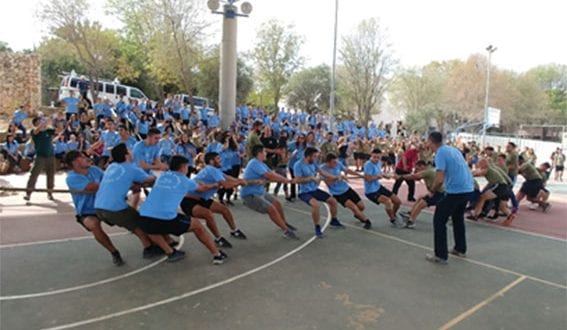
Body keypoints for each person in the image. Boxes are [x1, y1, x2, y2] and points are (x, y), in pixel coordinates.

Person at [138, 155, 228, 264]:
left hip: (143, 217)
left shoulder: (162, 176)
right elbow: (201, 189)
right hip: (165, 218)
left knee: (151, 228)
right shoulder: (185, 180)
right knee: (197, 226)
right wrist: (214, 185)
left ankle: (170, 252)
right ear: (183, 167)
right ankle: (217, 255)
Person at [94, 143, 164, 259]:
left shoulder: (112, 166)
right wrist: (160, 176)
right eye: (129, 150)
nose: (132, 152)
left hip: (98, 207)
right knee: (139, 222)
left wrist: (131, 185)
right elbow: (149, 179)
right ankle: (149, 248)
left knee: (131, 221)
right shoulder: (131, 168)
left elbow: (118, 181)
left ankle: (151, 245)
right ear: (126, 155)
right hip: (114, 208)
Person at [64, 150, 124, 266]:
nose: (87, 158)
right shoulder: (72, 178)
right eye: (82, 157)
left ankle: (149, 245)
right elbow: (93, 187)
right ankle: (114, 252)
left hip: (105, 205)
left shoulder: (95, 170)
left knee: (130, 218)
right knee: (93, 225)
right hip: (87, 211)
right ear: (75, 163)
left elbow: (108, 181)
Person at [425, 132, 474, 265]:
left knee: (439, 220)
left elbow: (439, 179)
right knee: (457, 218)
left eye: (427, 141)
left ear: (430, 141)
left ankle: (440, 255)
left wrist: (431, 191)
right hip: (468, 188)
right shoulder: (453, 149)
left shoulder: (440, 153)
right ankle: (460, 248)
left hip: (456, 191)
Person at [180, 152, 247, 249]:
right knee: (208, 215)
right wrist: (240, 183)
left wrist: (240, 181)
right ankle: (218, 239)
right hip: (189, 200)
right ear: (211, 161)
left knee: (224, 210)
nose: (220, 160)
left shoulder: (215, 170)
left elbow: (229, 178)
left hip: (202, 199)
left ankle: (234, 230)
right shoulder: (212, 170)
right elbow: (226, 185)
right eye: (218, 159)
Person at [240, 145, 298, 239]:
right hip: (250, 194)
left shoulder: (262, 163)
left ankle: (284, 224)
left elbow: (272, 173)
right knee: (271, 209)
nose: (266, 154)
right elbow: (268, 176)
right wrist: (285, 180)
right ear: (259, 153)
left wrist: (285, 179)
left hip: (259, 192)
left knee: (277, 203)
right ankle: (286, 231)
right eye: (264, 152)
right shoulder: (254, 163)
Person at [293, 147, 344, 238]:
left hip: (315, 190)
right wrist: (311, 178)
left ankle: (334, 220)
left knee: (333, 201)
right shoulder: (298, 165)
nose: (316, 158)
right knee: (316, 205)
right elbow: (297, 180)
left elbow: (323, 172)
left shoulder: (314, 163)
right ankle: (317, 227)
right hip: (305, 192)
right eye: (314, 156)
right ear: (308, 156)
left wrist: (335, 177)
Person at [319, 153, 372, 229]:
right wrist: (338, 178)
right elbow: (329, 183)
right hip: (337, 193)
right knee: (353, 207)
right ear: (328, 162)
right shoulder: (323, 169)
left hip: (346, 189)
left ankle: (357, 214)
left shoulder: (338, 164)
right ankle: (367, 221)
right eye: (333, 162)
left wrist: (361, 176)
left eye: (336, 162)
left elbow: (347, 170)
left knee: (361, 207)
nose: (336, 164)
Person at [397, 160, 445, 229]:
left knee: (421, 204)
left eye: (417, 169)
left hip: (439, 193)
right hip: (436, 192)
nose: (416, 170)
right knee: (420, 198)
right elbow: (417, 178)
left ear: (422, 166)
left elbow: (414, 176)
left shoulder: (428, 171)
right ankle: (411, 214)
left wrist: (400, 177)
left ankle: (411, 222)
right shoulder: (428, 170)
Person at [467, 158, 515, 223]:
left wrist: (466, 174)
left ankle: (475, 215)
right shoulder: (491, 168)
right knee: (502, 207)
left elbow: (476, 173)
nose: (477, 165)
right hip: (506, 187)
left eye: (479, 163)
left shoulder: (487, 169)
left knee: (482, 197)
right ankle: (510, 215)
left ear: (483, 164)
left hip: (499, 186)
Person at [363, 148, 402, 226]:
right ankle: (393, 219)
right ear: (371, 155)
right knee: (388, 202)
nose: (376, 159)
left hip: (378, 187)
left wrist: (388, 176)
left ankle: (393, 214)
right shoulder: (368, 165)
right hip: (371, 191)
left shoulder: (379, 163)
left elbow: (380, 174)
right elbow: (368, 179)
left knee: (397, 201)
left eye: (378, 157)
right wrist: (377, 177)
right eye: (374, 157)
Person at [24, 116, 57, 202]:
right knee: (34, 174)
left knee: (51, 175)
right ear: (35, 123)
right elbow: (36, 130)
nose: (42, 122)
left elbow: (58, 130)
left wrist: (54, 122)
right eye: (39, 121)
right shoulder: (34, 132)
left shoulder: (48, 131)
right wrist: (45, 122)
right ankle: (28, 193)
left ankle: (50, 192)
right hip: (40, 156)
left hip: (50, 156)